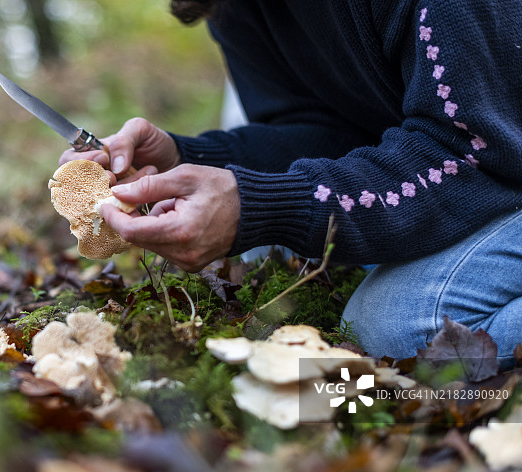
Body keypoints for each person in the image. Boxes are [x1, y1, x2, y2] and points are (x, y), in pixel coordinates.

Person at [59, 0, 522, 364]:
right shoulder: (230, 7)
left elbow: (466, 147)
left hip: (497, 163)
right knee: (264, 255)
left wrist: (259, 206)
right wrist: (184, 158)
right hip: (477, 161)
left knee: (400, 329)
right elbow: (324, 128)